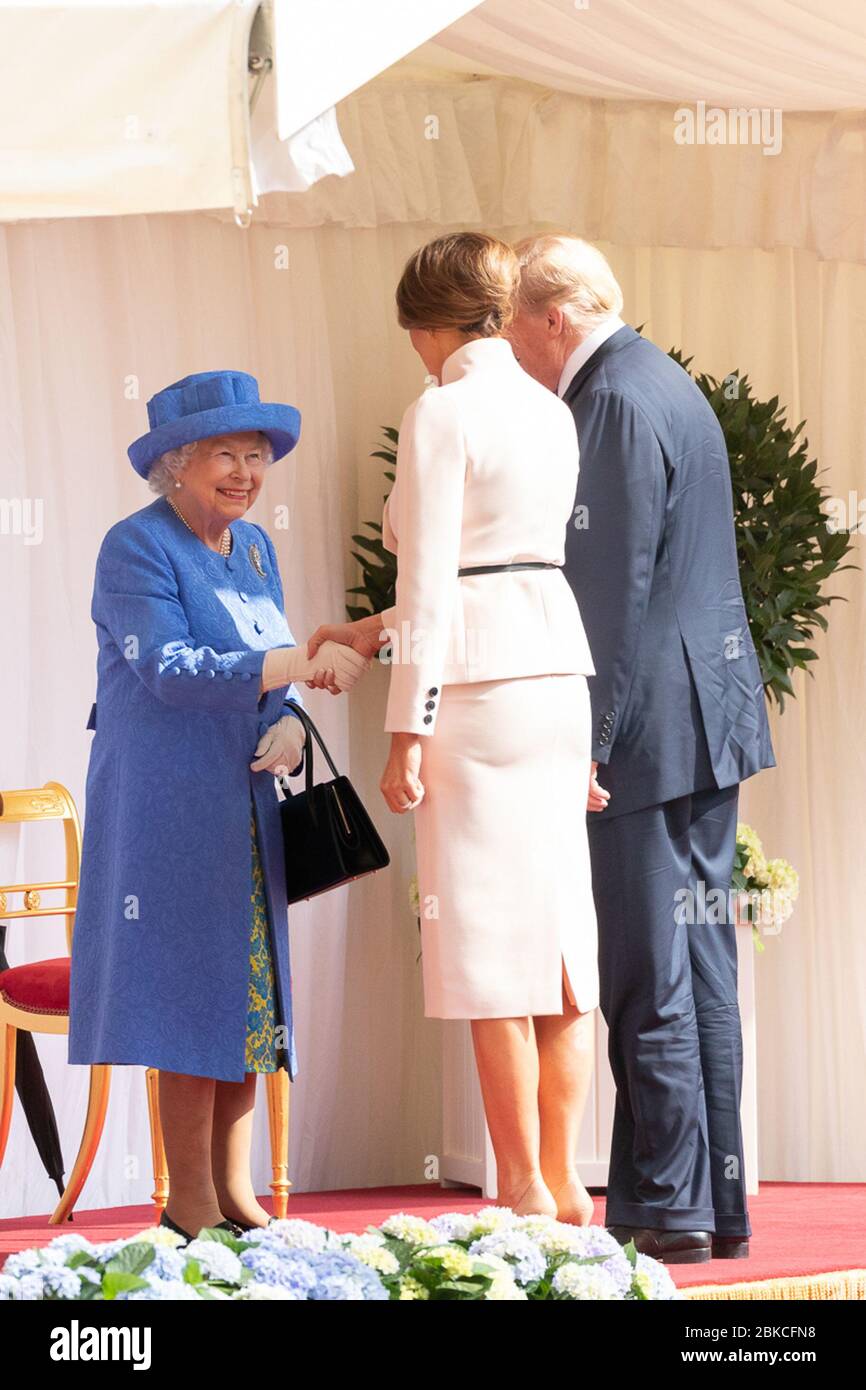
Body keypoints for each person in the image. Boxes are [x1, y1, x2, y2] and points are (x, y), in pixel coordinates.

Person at [308, 233, 607, 1222]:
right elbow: (505, 568)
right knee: (559, 946)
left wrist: (404, 730)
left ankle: (518, 1186)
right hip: (556, 678)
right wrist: (374, 627)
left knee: (486, 947)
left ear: (427, 325)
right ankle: (563, 1180)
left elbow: (432, 584)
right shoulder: (548, 406)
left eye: (412, 334)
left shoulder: (442, 407)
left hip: (473, 698)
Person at [508, 234, 776, 1263]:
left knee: (646, 971)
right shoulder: (666, 381)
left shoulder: (610, 399)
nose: (521, 360)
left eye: (519, 333)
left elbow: (604, 595)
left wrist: (590, 741)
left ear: (552, 319)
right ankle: (710, 1203)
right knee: (699, 971)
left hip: (648, 734)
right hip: (702, 722)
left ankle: (667, 1204)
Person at [68, 370, 368, 1241]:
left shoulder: (256, 549)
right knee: (184, 988)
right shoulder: (136, 547)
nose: (245, 472)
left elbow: (274, 658)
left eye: (256, 455)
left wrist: (290, 725)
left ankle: (235, 1190)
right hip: (165, 800)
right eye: (225, 456)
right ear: (174, 466)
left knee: (251, 989)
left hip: (245, 792)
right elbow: (167, 668)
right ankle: (187, 1199)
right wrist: (293, 671)